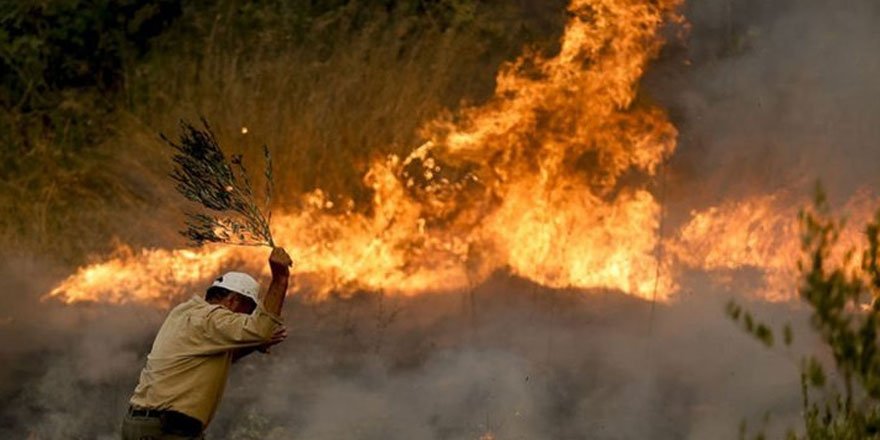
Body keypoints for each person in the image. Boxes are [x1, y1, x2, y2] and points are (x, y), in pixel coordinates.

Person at [121, 247, 293, 439]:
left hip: (146, 425)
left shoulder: (185, 312)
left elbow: (213, 359)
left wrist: (253, 344)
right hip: (166, 430)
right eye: (249, 309)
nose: (248, 316)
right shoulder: (211, 318)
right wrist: (280, 279)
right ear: (234, 300)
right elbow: (261, 329)